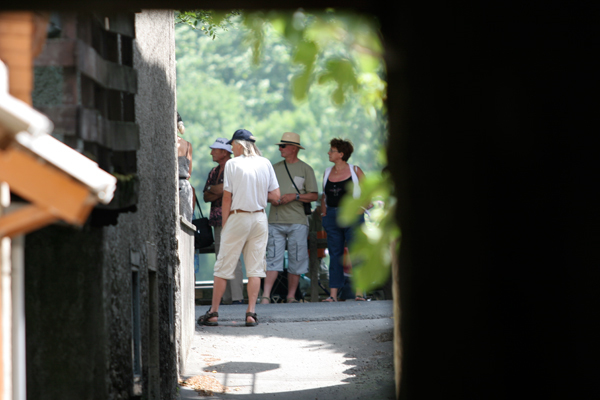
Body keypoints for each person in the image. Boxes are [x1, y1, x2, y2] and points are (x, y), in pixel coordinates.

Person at [197, 129, 280, 327]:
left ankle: (214, 312)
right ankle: (251, 312)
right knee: (255, 268)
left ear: (240, 145)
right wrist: (256, 193)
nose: (231, 148)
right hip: (260, 218)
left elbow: (227, 197)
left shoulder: (233, 164)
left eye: (233, 144)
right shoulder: (266, 163)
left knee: (223, 266)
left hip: (238, 216)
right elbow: (276, 196)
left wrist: (225, 226)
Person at [261, 132, 318, 304]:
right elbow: (263, 192)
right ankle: (265, 296)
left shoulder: (306, 169)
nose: (280, 149)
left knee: (297, 258)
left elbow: (314, 195)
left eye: (283, 146)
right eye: (280, 146)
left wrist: (295, 197)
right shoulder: (274, 168)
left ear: (293, 149)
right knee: (273, 259)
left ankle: (291, 296)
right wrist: (273, 199)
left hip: (298, 221)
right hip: (275, 221)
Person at [320, 138, 366, 302]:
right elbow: (324, 196)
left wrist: (361, 208)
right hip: (332, 216)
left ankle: (359, 292)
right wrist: (324, 215)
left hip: (352, 216)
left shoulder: (355, 170)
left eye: (332, 150)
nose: (329, 153)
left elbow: (368, 193)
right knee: (335, 254)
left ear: (341, 154)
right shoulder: (326, 172)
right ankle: (333, 295)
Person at [203, 138, 244, 305]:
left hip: (232, 218)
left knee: (232, 256)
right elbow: (206, 195)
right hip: (217, 220)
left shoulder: (234, 167)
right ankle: (227, 298)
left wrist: (216, 189)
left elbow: (229, 190)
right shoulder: (214, 171)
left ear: (225, 152)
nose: (211, 152)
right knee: (221, 257)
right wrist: (218, 189)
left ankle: (237, 298)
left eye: (215, 149)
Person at [177, 112, 194, 222]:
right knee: (186, 222)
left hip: (173, 185)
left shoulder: (168, 143)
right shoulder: (188, 145)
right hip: (185, 186)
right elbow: (189, 172)